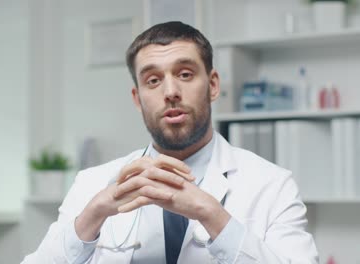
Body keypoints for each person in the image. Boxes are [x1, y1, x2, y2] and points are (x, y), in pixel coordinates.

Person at [21, 21, 318, 264]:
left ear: (213, 85)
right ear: (137, 99)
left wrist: (213, 215)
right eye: (153, 80)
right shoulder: (92, 184)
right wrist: (92, 216)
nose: (171, 91)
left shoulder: (273, 185)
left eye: (185, 74)